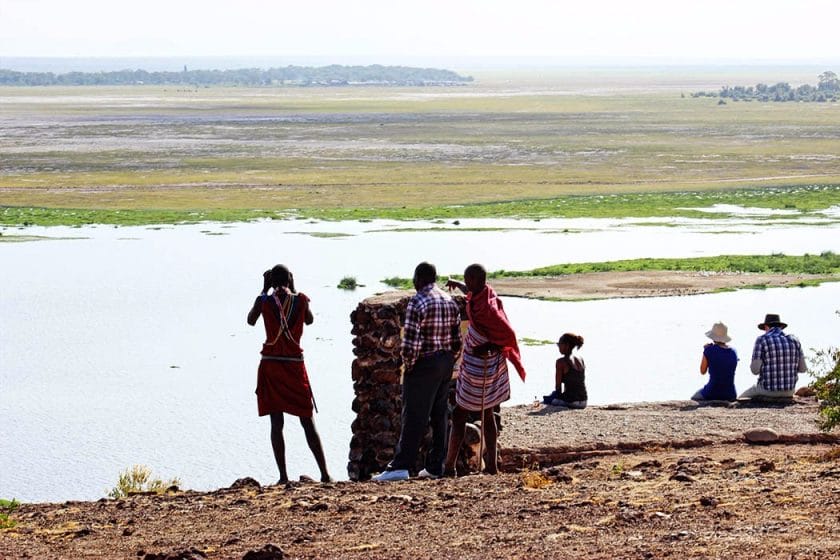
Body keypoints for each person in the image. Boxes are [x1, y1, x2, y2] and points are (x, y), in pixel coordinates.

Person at [372, 262, 462, 482]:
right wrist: (449, 360)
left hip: (425, 363)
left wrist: (410, 366)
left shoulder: (418, 301)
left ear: (420, 278)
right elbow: (457, 340)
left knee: (413, 415)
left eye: (414, 277)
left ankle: (401, 466)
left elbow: (410, 343)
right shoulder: (448, 300)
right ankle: (435, 466)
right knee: (439, 415)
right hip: (445, 362)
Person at [247, 265, 331, 483]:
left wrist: (263, 289)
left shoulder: (264, 301)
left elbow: (250, 319)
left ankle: (283, 476)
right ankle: (325, 474)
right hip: (294, 366)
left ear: (271, 281)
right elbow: (310, 320)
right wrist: (295, 288)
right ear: (290, 279)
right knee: (307, 420)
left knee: (276, 422)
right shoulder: (301, 300)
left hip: (271, 366)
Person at [442, 264, 526, 476]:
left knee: (460, 411)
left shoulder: (487, 308)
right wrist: (457, 284)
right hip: (480, 361)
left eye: (466, 280)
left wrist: (489, 346)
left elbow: (508, 334)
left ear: (473, 279)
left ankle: (449, 467)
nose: (466, 284)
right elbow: (470, 293)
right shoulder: (484, 294)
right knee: (487, 411)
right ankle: (491, 467)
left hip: (482, 364)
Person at [739, 313, 807, 400]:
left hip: (767, 390)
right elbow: (803, 369)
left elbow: (754, 370)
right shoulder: (795, 340)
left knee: (741, 398)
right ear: (781, 327)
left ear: (766, 327)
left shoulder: (762, 340)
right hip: (789, 391)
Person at [691, 322, 738, 402]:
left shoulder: (709, 350)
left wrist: (705, 351)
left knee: (694, 398)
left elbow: (702, 371)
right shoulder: (734, 351)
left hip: (712, 392)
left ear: (713, 337)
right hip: (730, 393)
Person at [544, 333, 587, 409]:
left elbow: (558, 388)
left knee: (547, 399)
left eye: (559, 344)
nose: (558, 346)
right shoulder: (580, 359)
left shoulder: (561, 362)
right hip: (584, 401)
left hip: (572, 402)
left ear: (567, 345)